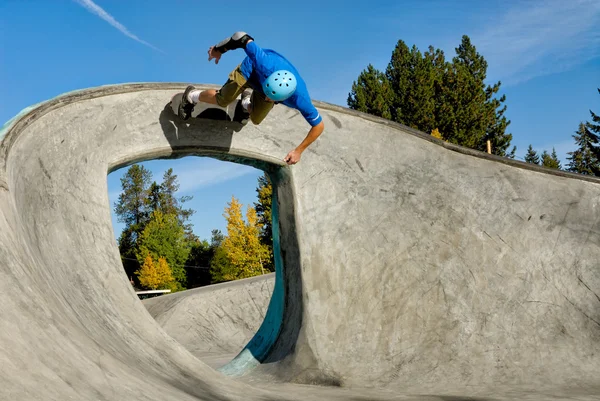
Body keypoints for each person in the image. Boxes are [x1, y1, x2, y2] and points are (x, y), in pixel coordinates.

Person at [178, 32, 325, 165]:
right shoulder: (263, 62)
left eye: (271, 99)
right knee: (223, 100)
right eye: (267, 96)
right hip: (250, 71)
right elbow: (241, 37)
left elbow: (319, 126)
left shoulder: (301, 99)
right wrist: (218, 49)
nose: (267, 99)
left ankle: (245, 103)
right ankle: (191, 96)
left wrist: (298, 151)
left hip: (267, 84)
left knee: (256, 118)